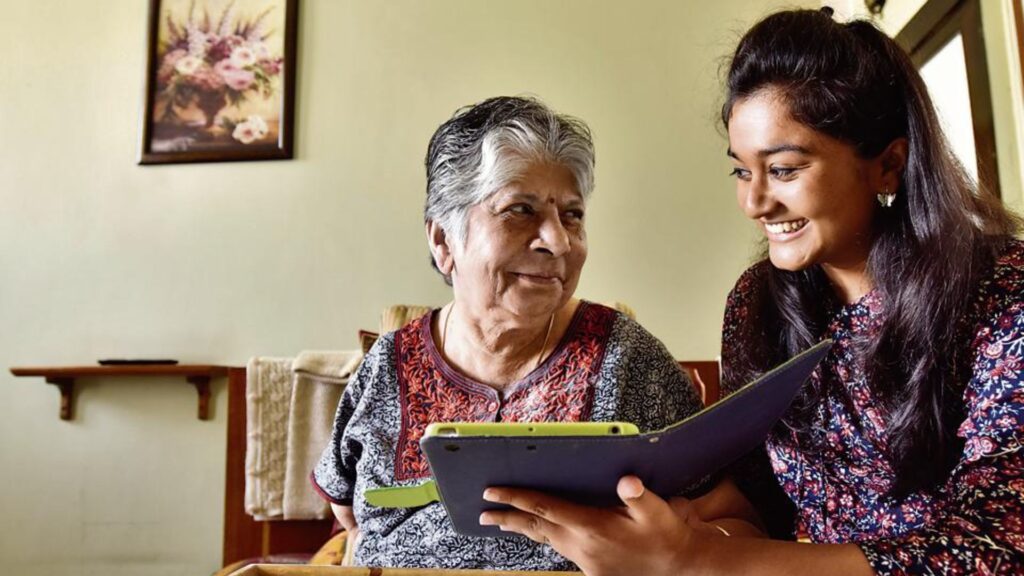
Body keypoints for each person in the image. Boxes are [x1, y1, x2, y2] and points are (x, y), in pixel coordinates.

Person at [479, 8, 1024, 575]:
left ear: (888, 166)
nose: (755, 203)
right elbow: (761, 498)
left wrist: (697, 558)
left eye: (784, 169)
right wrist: (673, 519)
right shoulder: (756, 304)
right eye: (741, 171)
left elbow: (998, 547)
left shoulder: (1004, 293)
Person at [310, 96, 724, 571]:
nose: (558, 241)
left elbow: (726, 511)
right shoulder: (388, 362)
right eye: (520, 209)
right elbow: (347, 509)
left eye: (572, 215)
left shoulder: (627, 358)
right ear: (444, 240)